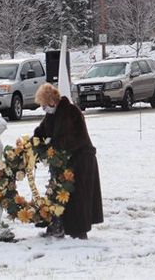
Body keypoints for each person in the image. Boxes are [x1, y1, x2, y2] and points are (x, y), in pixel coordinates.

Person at [33, 84, 103, 239]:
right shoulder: (52, 114)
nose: (44, 109)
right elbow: (42, 130)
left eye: (44, 105)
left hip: (81, 159)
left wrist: (51, 144)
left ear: (52, 101)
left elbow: (69, 139)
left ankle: (79, 231)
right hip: (65, 161)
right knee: (59, 193)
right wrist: (35, 140)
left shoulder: (70, 112)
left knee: (78, 197)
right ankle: (58, 226)